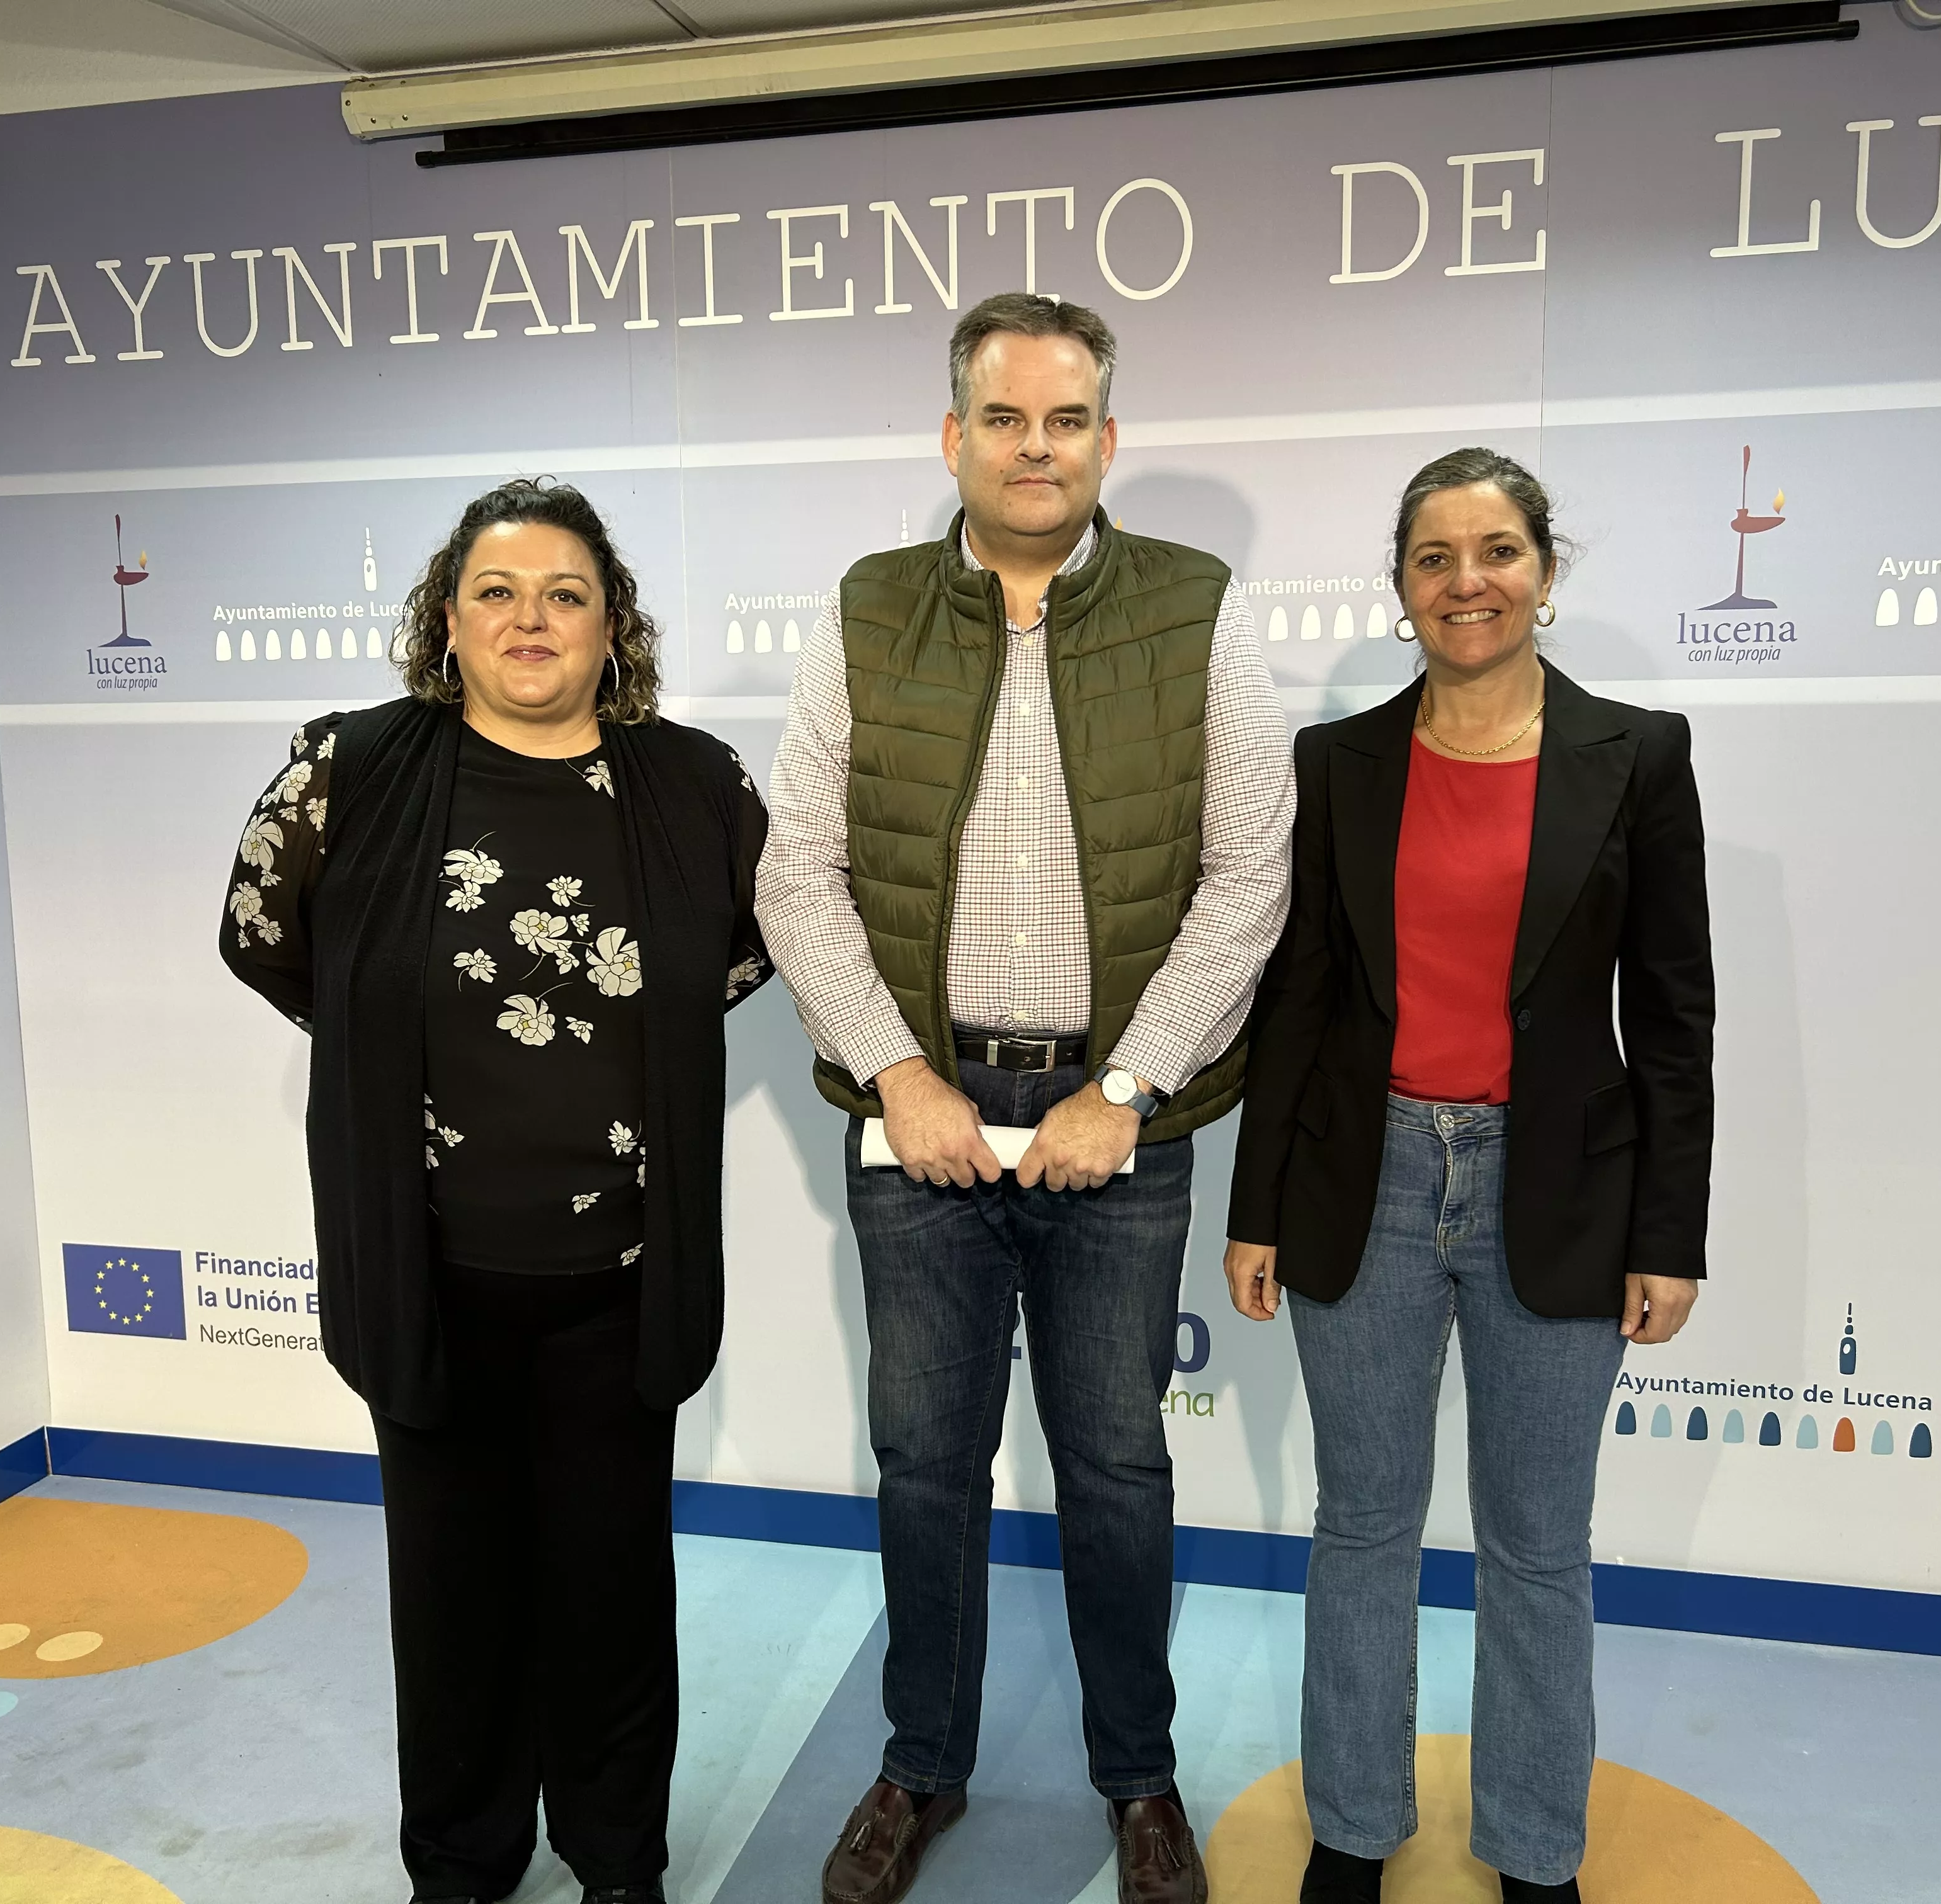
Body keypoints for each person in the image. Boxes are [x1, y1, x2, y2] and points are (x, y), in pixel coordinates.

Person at [757, 292, 1292, 1904]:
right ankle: (922, 1769)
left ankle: (1141, 1782)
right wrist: (901, 1074)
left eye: (1066, 420)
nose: (1036, 446)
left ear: (1107, 442)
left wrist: (1128, 1085)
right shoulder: (868, 613)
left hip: (1112, 1132)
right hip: (916, 1130)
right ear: (955, 438)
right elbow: (799, 868)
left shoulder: (1198, 610)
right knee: (927, 1465)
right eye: (1005, 418)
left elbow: (1249, 872)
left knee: (1118, 1468)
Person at [219, 478, 771, 1904]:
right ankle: (461, 1863)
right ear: (447, 619)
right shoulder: (349, 768)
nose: (531, 621)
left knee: (609, 1598)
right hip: (430, 1279)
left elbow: (750, 955)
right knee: (451, 1604)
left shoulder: (698, 786)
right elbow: (265, 938)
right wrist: (390, 1036)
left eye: (566, 594)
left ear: (613, 625)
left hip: (618, 1284)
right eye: (498, 592)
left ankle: (615, 1861)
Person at [1222, 448, 1714, 1903]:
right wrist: (1256, 1208)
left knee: (1538, 1552)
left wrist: (1670, 1235)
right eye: (1435, 559)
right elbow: (1296, 1000)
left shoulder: (1641, 755)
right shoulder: (1337, 765)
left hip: (1560, 1192)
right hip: (1360, 1180)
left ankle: (1536, 1854)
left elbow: (1674, 1019)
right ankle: (1355, 1834)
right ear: (1401, 590)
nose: (1467, 583)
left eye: (1496, 552)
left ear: (1544, 574)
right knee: (1362, 1530)